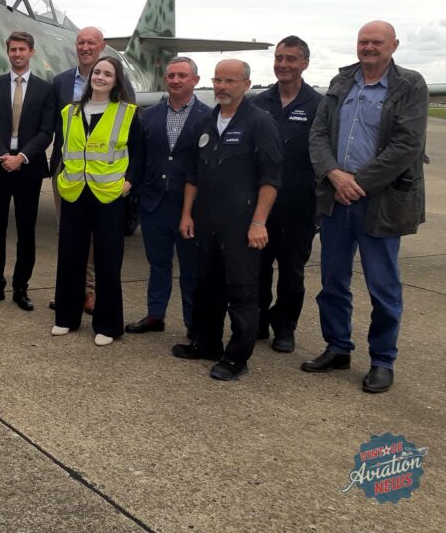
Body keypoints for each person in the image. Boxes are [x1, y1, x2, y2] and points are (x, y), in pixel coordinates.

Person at [303, 21, 428, 394]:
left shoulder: (410, 85)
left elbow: (407, 144)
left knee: (382, 285)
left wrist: (357, 183)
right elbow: (318, 135)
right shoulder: (341, 82)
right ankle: (337, 346)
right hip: (337, 199)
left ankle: (382, 360)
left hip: (381, 202)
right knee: (333, 281)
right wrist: (334, 174)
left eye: (376, 42)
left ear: (394, 45)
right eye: (363, 41)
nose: (368, 47)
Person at [173, 59, 282, 382]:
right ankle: (206, 343)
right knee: (206, 286)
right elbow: (193, 174)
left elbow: (271, 178)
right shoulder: (207, 122)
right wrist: (187, 214)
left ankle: (237, 357)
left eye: (230, 81)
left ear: (246, 85)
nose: (221, 86)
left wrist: (259, 222)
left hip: (241, 222)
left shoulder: (260, 123)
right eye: (218, 80)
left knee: (241, 290)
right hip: (206, 219)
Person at [52, 55, 142, 346]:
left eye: (108, 74)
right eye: (97, 72)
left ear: (116, 81)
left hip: (108, 194)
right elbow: (64, 148)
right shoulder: (70, 111)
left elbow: (139, 153)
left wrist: (129, 183)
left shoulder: (127, 112)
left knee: (108, 259)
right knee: (70, 256)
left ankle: (108, 325)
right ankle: (66, 317)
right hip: (75, 191)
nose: (100, 77)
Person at [126, 56, 210, 336]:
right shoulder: (149, 115)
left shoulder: (208, 117)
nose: (175, 80)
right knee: (158, 264)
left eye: (182, 76)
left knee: (191, 268)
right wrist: (137, 191)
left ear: (195, 80)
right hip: (154, 203)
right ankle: (155, 315)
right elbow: (139, 158)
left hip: (190, 207)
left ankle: (193, 323)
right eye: (171, 75)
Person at [0, 31, 55, 312]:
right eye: (13, 49)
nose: (17, 54)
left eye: (22, 49)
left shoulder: (45, 90)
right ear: (7, 52)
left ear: (31, 52)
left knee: (26, 231)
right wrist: (3, 155)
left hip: (28, 168)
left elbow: (46, 131)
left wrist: (21, 157)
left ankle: (21, 288)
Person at [251, 36, 321, 353]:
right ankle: (258, 321)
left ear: (304, 63)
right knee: (258, 269)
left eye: (291, 59)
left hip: (299, 205)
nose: (283, 64)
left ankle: (285, 327)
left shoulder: (318, 105)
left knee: (292, 272)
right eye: (279, 58)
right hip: (261, 206)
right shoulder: (259, 103)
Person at [49, 26, 108, 312]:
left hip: (100, 169)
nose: (85, 47)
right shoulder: (60, 81)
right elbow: (50, 124)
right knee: (68, 231)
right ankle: (68, 290)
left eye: (91, 43)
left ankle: (90, 289)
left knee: (94, 232)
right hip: (66, 168)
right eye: (81, 42)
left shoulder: (114, 79)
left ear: (102, 46)